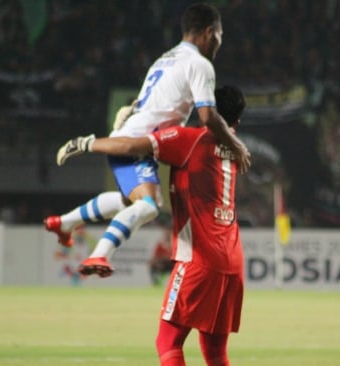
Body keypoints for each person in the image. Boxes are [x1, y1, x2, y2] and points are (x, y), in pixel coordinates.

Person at [44, 2, 250, 278]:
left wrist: (129, 114)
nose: (219, 44)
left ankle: (65, 223)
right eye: (220, 37)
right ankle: (100, 254)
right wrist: (236, 145)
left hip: (133, 137)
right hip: (134, 144)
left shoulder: (165, 58)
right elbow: (207, 117)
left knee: (129, 202)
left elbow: (146, 101)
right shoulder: (200, 65)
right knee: (149, 207)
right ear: (209, 32)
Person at [58, 85, 246, 366]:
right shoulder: (235, 147)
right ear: (237, 121)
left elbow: (130, 146)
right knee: (215, 351)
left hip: (199, 259)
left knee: (167, 341)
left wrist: (86, 143)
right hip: (232, 260)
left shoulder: (191, 140)